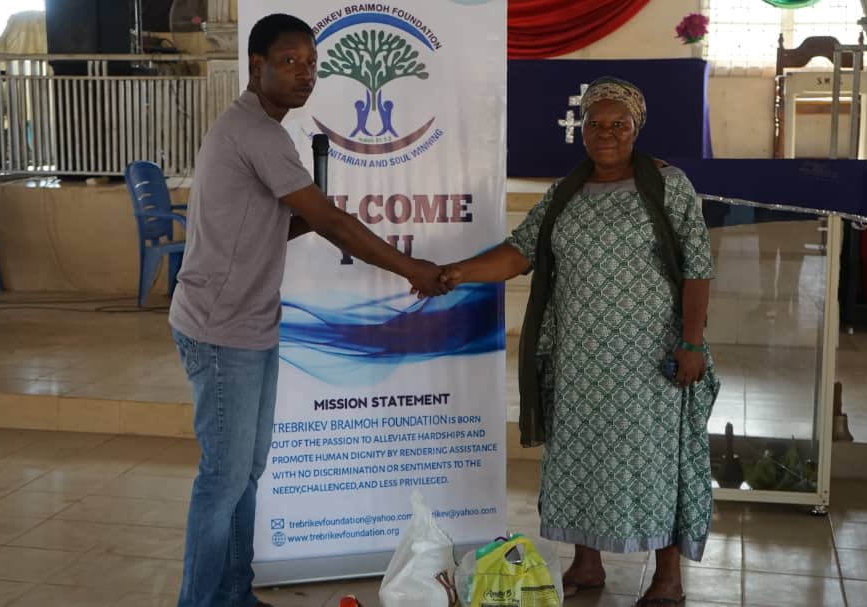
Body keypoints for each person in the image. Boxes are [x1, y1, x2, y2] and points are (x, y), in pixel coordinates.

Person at [168, 13, 448, 607]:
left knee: (246, 473)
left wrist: (323, 217)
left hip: (248, 324)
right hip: (221, 330)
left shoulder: (262, 130)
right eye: (290, 62)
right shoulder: (256, 131)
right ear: (257, 66)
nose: (305, 74)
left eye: (312, 64)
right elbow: (328, 223)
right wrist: (412, 268)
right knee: (223, 479)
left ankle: (233, 595)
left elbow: (279, 224)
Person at [440, 77, 719, 606]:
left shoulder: (668, 186)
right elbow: (521, 251)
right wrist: (456, 272)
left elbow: (698, 267)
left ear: (637, 128)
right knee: (580, 458)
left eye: (619, 124)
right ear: (581, 129)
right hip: (579, 357)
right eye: (596, 123)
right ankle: (587, 564)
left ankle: (668, 576)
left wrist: (691, 343)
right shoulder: (566, 192)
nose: (606, 133)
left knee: (655, 459)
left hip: (648, 357)